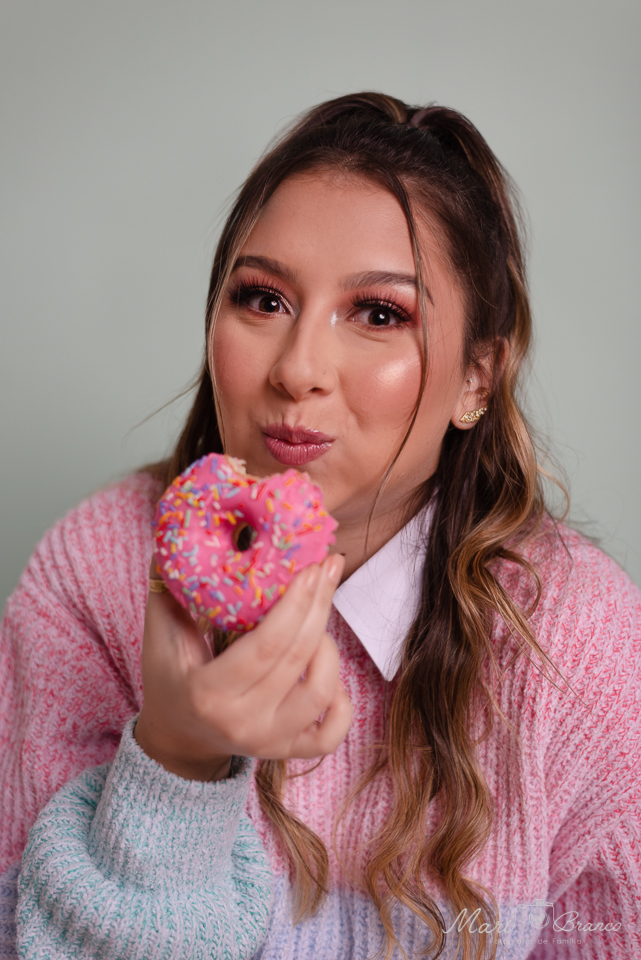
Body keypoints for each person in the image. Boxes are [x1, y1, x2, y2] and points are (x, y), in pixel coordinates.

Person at [0, 93, 639, 960]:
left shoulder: (577, 639)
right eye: (262, 299)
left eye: (379, 314)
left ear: (476, 381)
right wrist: (178, 759)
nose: (298, 368)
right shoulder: (95, 572)